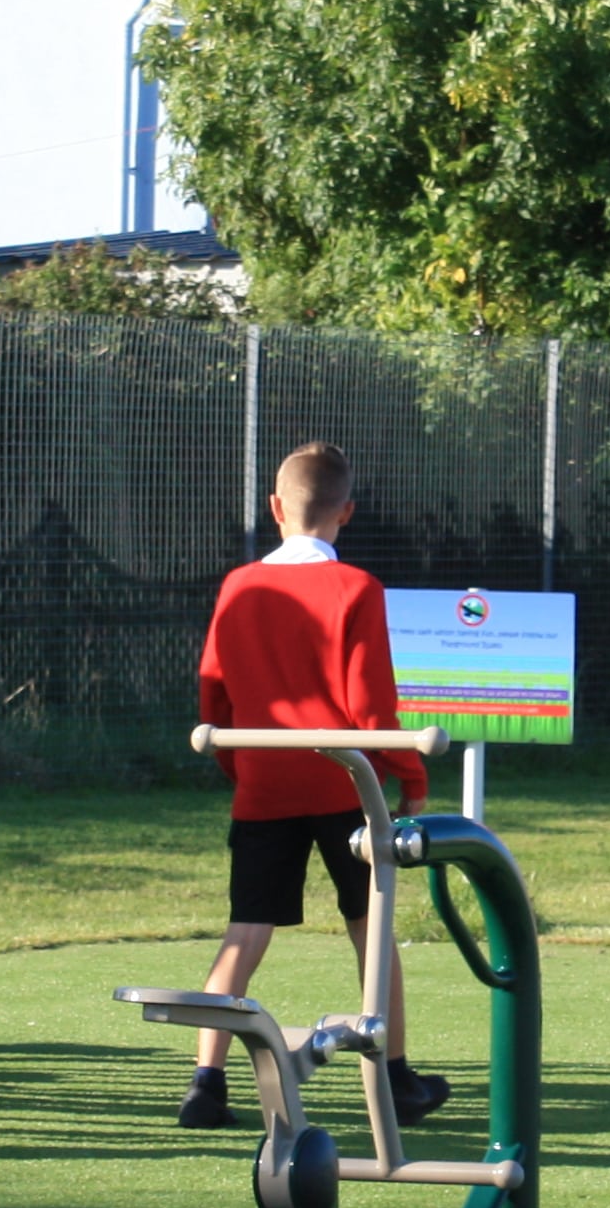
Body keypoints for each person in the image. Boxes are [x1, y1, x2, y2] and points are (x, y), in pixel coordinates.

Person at [176, 441, 446, 1128]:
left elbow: (215, 694)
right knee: (369, 929)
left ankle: (206, 1082)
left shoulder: (239, 586)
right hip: (343, 784)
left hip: (262, 779)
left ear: (275, 508)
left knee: (245, 931)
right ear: (346, 513)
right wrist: (409, 778)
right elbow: (372, 705)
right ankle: (394, 1079)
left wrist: (242, 768)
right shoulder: (357, 588)